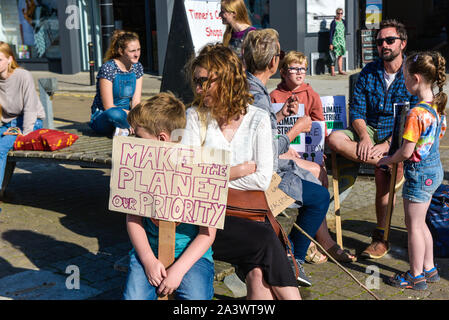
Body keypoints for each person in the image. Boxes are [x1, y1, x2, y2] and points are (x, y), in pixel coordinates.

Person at [183, 43, 301, 300]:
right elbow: (190, 173)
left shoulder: (257, 118)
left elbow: (262, 179)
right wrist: (238, 170)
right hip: (205, 218)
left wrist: (214, 174)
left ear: (227, 79)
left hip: (247, 216)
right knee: (266, 240)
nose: (199, 88)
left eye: (205, 81)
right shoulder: (195, 116)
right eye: (196, 81)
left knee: (259, 276)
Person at [242, 29, 330, 287]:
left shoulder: (247, 88)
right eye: (279, 54)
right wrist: (295, 130)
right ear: (274, 63)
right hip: (256, 173)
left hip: (249, 166)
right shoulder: (258, 97)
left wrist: (279, 116)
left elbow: (259, 135)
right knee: (319, 197)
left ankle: (294, 252)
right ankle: (293, 257)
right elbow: (268, 152)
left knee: (312, 175)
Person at [327, 19, 419, 259]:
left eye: (390, 40)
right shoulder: (369, 71)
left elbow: (413, 118)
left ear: (403, 42)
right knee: (335, 139)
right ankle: (382, 160)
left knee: (384, 174)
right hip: (369, 132)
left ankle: (381, 238)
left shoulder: (413, 73)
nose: (384, 45)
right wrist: (365, 138)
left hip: (399, 136)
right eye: (380, 42)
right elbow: (356, 110)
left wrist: (388, 145)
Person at [123, 92, 216, 300]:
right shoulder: (137, 168)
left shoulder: (200, 170)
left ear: (162, 139)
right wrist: (147, 260)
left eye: (138, 137)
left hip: (191, 257)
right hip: (149, 251)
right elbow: (133, 219)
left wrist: (179, 270)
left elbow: (207, 234)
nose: (133, 142)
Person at [270, 51, 356, 263]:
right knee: (315, 175)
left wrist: (318, 150)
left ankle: (313, 240)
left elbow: (320, 127)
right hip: (283, 154)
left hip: (307, 152)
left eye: (303, 69)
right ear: (283, 71)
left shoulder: (311, 94)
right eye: (294, 68)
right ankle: (317, 242)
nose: (300, 73)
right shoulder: (274, 96)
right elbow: (272, 132)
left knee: (320, 175)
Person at [377, 51, 446, 290]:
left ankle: (416, 275)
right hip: (435, 170)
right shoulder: (437, 107)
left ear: (415, 79)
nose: (402, 80)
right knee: (421, 223)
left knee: (413, 226)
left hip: (419, 174)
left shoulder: (415, 113)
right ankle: (430, 267)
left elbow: (406, 152)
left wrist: (387, 160)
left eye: (404, 76)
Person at [0, 41, 45, 197]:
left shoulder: (22, 75)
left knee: (1, 148)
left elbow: (30, 108)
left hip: (31, 121)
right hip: (8, 123)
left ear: (10, 59)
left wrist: (25, 133)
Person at [89, 30, 143, 137]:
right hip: (105, 117)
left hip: (126, 116)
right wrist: (132, 117)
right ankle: (129, 127)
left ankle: (124, 129)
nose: (137, 54)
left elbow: (136, 101)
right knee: (114, 113)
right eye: (132, 51)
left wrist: (138, 115)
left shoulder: (137, 67)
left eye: (138, 50)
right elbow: (108, 106)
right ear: (121, 51)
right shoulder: (108, 68)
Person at [329, 8, 347, 76]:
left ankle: (340, 70)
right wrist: (331, 43)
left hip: (342, 41)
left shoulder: (343, 21)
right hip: (335, 41)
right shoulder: (333, 22)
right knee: (333, 56)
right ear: (336, 14)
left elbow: (343, 31)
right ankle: (333, 71)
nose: (340, 15)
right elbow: (331, 33)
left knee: (340, 55)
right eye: (338, 13)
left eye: (341, 13)